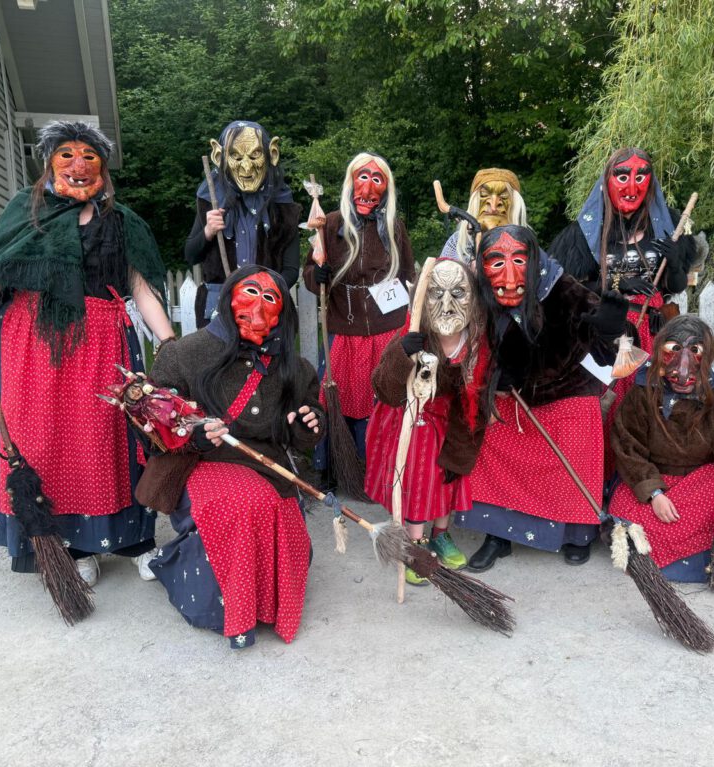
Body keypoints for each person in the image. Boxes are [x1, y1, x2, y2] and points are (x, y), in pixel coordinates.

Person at [0, 121, 174, 585]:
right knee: (48, 446)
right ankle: (71, 545)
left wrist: (170, 344)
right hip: (34, 344)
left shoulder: (122, 221)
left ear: (103, 166)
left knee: (111, 442)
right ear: (49, 162)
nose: (78, 165)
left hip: (102, 343)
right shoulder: (28, 209)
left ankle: (133, 541)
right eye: (67, 155)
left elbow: (141, 288)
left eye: (89, 156)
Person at [141, 266, 323, 648]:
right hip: (199, 463)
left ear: (282, 312)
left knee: (284, 522)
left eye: (270, 298)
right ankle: (229, 610)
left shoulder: (295, 369)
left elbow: (302, 433)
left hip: (265, 465)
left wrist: (307, 423)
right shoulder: (185, 354)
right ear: (228, 298)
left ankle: (265, 604)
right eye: (250, 292)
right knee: (242, 506)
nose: (259, 305)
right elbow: (153, 423)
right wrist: (192, 435)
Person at [454, 225, 629, 570]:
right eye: (496, 262)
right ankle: (498, 534)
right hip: (511, 396)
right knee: (492, 438)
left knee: (579, 436)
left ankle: (576, 534)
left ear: (534, 260)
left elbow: (611, 345)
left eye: (519, 260)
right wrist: (493, 373)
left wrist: (611, 329)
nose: (509, 276)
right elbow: (463, 343)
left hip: (566, 391)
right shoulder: (477, 295)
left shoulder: (564, 289)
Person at [608, 316, 714, 581]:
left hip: (701, 484)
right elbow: (628, 448)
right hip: (655, 480)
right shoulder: (642, 394)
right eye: (674, 349)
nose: (683, 364)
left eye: (695, 350)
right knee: (630, 520)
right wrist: (654, 493)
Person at [364, 259, 492, 583]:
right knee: (420, 481)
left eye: (458, 293)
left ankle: (440, 533)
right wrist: (402, 355)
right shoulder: (413, 335)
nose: (446, 305)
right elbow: (383, 385)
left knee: (449, 476)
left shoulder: (476, 340)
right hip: (415, 420)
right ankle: (414, 543)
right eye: (436, 294)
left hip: (455, 420)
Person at [303, 153, 415, 479]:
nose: (367, 187)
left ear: (386, 188)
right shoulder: (329, 224)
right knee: (335, 397)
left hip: (386, 330)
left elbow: (407, 273)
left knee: (383, 398)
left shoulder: (394, 228)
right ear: (351, 183)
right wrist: (316, 276)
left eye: (377, 179)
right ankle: (332, 469)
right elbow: (310, 269)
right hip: (344, 330)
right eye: (362, 177)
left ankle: (380, 471)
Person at [548, 147, 698, 385]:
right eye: (622, 177)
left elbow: (676, 286)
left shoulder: (667, 226)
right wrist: (617, 283)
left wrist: (675, 261)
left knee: (649, 397)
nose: (631, 189)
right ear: (607, 180)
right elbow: (568, 289)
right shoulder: (586, 232)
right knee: (612, 398)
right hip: (607, 332)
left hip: (652, 331)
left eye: (640, 178)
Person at [185, 120, 302, 324]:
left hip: (268, 312)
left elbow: (291, 270)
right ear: (219, 157)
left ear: (272, 154)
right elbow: (190, 255)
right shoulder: (211, 200)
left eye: (255, 155)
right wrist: (208, 232)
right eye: (236, 157)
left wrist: (260, 296)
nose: (246, 167)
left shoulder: (282, 205)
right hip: (219, 313)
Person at [439, 168, 528, 263]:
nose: (493, 207)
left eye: (504, 196)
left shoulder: (527, 244)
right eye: (484, 194)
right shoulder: (457, 243)